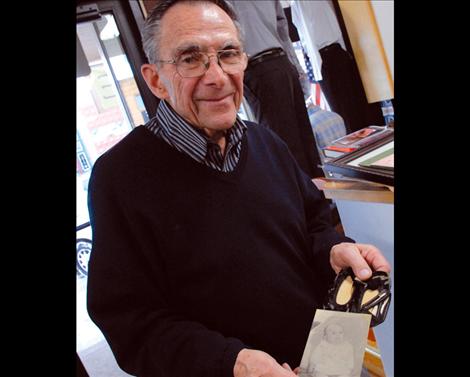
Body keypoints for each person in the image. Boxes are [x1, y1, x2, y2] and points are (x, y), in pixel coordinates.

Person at [86, 1, 391, 377]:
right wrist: (234, 362)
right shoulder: (120, 177)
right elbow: (131, 325)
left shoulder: (265, 142)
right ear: (154, 80)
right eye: (190, 59)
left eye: (228, 54)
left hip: (330, 355)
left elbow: (314, 225)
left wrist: (333, 250)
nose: (217, 76)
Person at [227, 0, 323, 178]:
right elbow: (283, 30)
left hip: (259, 68)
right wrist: (297, 69)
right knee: (305, 139)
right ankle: (323, 199)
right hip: (283, 63)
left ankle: (304, 202)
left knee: (282, 145)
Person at [290, 0, 369, 133]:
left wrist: (317, 64)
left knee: (346, 112)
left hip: (327, 56)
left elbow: (306, 34)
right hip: (334, 52)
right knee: (351, 109)